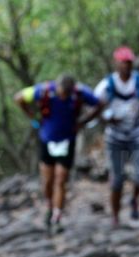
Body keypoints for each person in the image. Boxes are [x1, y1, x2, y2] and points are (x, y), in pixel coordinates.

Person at [14, 74, 101, 233]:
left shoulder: (80, 93)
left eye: (65, 95)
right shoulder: (44, 90)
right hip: (47, 140)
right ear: (57, 87)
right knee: (47, 181)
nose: (62, 97)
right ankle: (49, 205)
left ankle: (57, 217)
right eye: (60, 93)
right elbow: (19, 97)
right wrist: (33, 118)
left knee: (60, 179)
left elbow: (100, 103)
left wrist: (84, 121)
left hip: (67, 141)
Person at [95, 46, 139, 226]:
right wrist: (107, 118)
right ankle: (115, 217)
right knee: (117, 180)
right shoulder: (106, 86)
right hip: (115, 139)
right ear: (116, 63)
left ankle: (134, 199)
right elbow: (95, 110)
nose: (126, 66)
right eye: (123, 62)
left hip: (138, 136)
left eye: (129, 62)